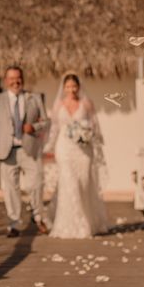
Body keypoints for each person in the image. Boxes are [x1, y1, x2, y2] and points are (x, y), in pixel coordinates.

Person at [0, 66, 50, 237]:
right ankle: (14, 224)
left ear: (23, 79)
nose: (15, 81)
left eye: (18, 77)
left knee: (36, 184)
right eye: (11, 78)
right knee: (11, 189)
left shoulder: (34, 98)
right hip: (7, 151)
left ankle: (37, 216)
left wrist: (33, 127)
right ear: (6, 81)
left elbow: (47, 122)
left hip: (29, 149)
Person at [45, 72, 109, 238]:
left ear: (79, 87)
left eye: (74, 86)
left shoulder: (86, 104)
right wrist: (49, 147)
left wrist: (88, 137)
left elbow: (95, 127)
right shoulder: (58, 105)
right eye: (68, 87)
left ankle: (86, 223)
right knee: (69, 183)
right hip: (64, 149)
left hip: (83, 150)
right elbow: (54, 129)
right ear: (64, 88)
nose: (71, 89)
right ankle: (68, 224)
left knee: (84, 184)